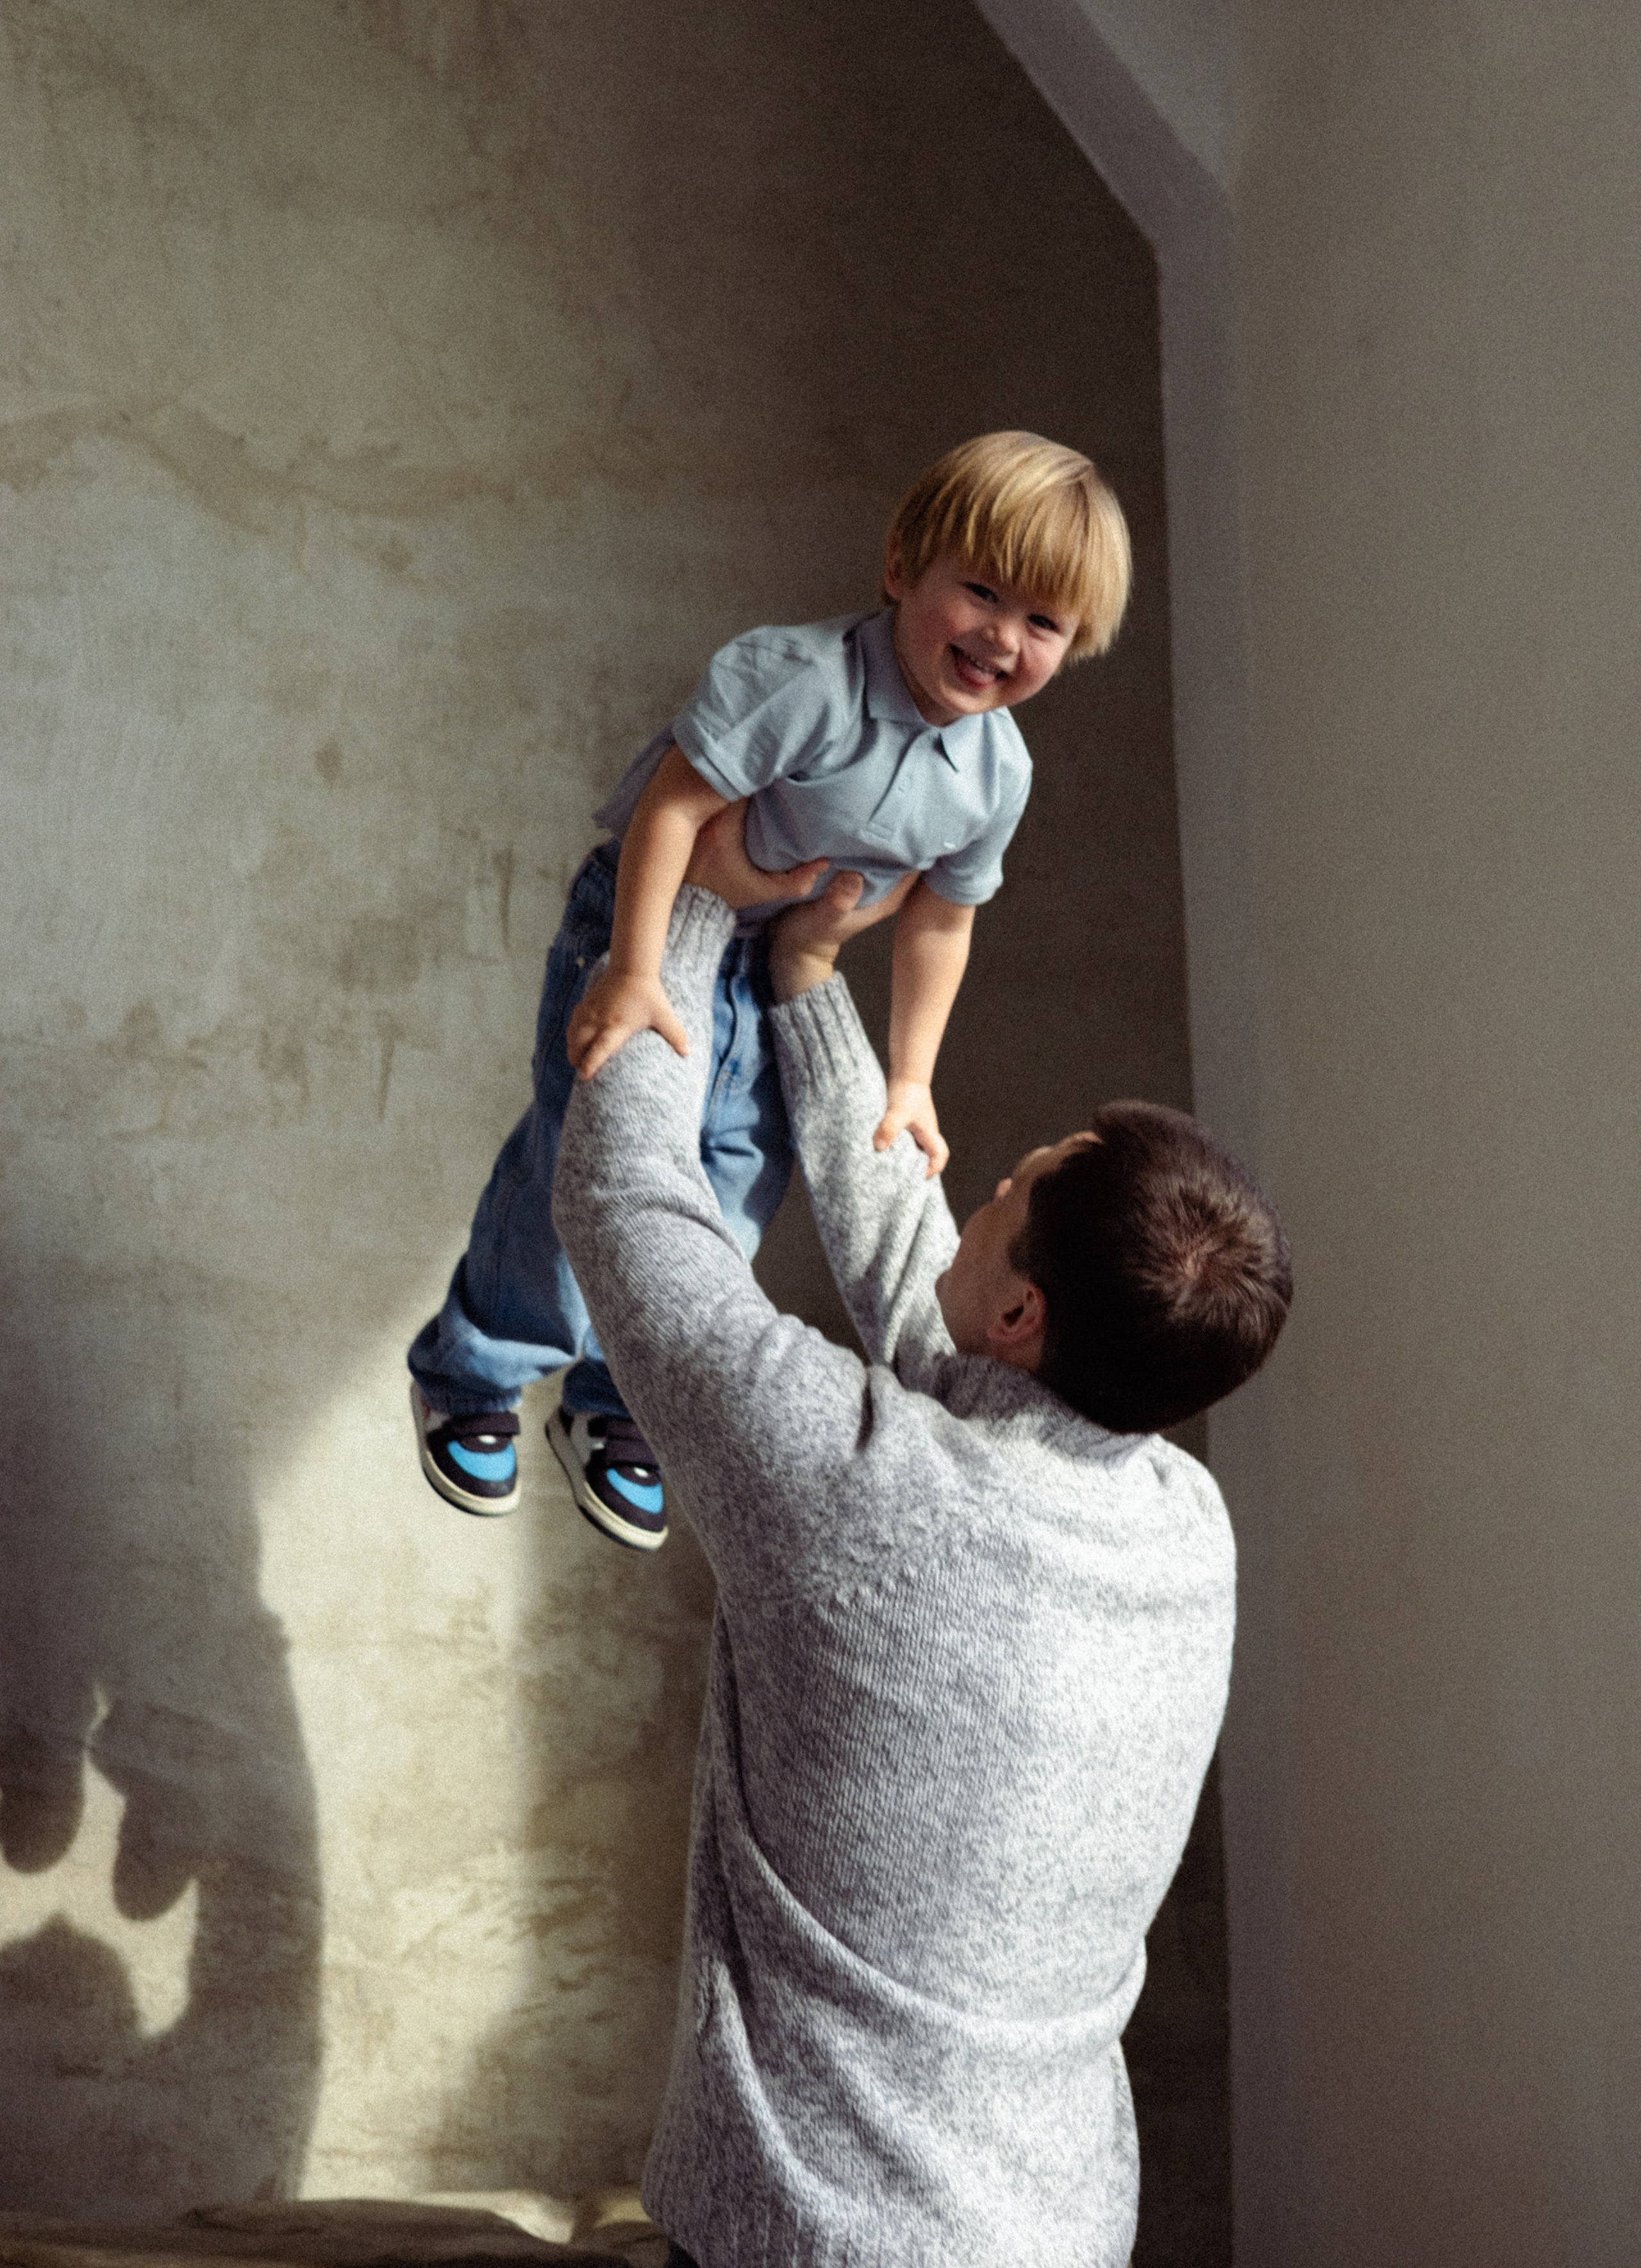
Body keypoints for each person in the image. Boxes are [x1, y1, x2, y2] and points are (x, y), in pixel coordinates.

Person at [550, 811, 1293, 2268]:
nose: (978, 1191)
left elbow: (624, 1205)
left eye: (1003, 1188)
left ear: (1024, 1313)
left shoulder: (854, 1490)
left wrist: (693, 920)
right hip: (1054, 2233)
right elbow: (947, 1334)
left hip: (812, 2240)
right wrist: (805, 980)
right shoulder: (1181, 1533)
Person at [406, 431, 1132, 1544]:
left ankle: (615, 1405)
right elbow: (673, 810)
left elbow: (944, 917)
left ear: (1073, 646)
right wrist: (635, 970)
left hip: (767, 964)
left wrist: (911, 1078)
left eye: (1042, 622)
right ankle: (474, 1369)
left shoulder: (999, 775)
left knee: (736, 1181)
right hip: (648, 915)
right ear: (902, 566)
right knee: (584, 1150)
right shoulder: (797, 679)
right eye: (980, 591)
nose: (1000, 636)